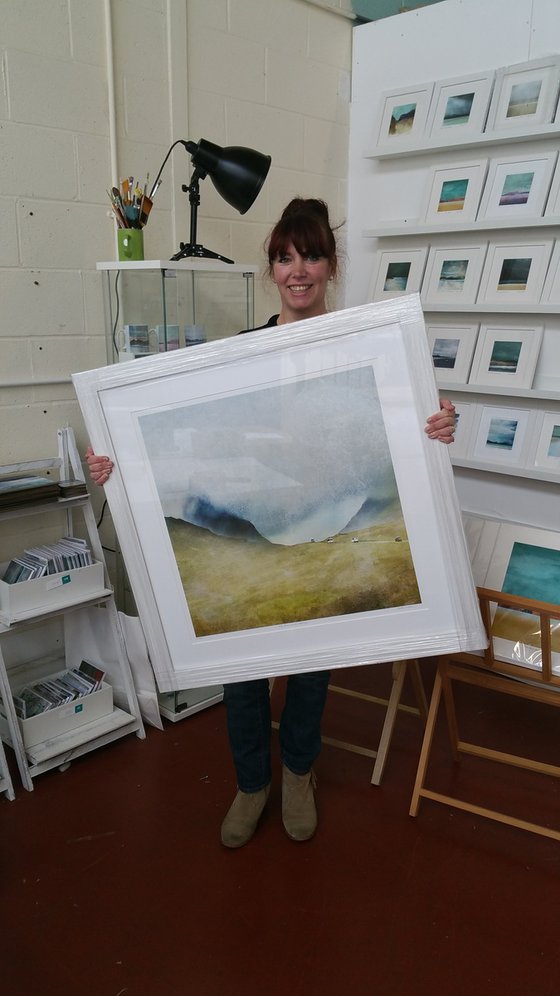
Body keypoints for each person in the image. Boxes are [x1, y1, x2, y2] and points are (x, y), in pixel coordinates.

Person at [86, 198, 456, 849]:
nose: (298, 269)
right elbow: (189, 443)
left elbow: (399, 432)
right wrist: (117, 460)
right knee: (242, 670)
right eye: (285, 256)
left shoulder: (363, 352)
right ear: (272, 268)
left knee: (313, 670)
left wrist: (437, 423)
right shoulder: (240, 355)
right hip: (243, 530)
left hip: (322, 528)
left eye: (311, 254)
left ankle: (299, 774)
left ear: (331, 264)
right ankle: (252, 782)